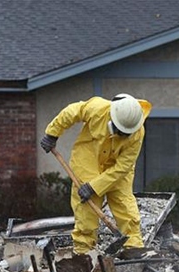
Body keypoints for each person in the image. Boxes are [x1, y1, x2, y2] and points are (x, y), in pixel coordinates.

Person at [40, 93, 152, 258]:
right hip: (88, 160)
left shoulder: (137, 132)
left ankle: (134, 249)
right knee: (86, 211)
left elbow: (123, 166)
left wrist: (94, 186)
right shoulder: (97, 108)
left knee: (126, 208)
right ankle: (84, 254)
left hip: (118, 170)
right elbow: (71, 112)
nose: (122, 135)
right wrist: (52, 134)